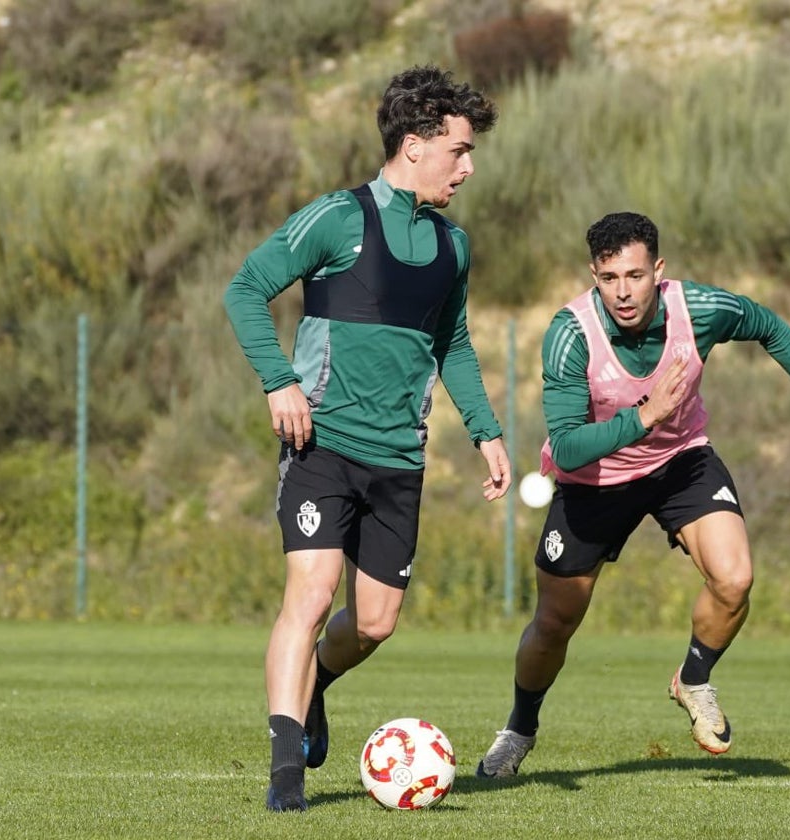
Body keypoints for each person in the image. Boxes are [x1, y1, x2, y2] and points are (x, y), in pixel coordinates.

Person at [476, 212, 790, 778]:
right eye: (609, 278)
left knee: (734, 578)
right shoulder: (570, 333)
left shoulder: (700, 311)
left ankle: (693, 678)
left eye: (634, 276)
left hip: (680, 462)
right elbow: (565, 448)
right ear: (594, 275)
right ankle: (519, 729)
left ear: (658, 271)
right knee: (555, 622)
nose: (623, 292)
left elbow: (769, 326)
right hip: (595, 481)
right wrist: (645, 416)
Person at [223, 65, 512, 812]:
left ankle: (315, 680)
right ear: (415, 146)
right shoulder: (339, 218)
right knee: (312, 593)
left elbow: (453, 342)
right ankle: (287, 772)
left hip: (398, 459)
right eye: (458, 150)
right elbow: (246, 288)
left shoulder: (455, 247)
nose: (468, 166)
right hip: (321, 445)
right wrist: (278, 381)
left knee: (376, 622)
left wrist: (486, 432)